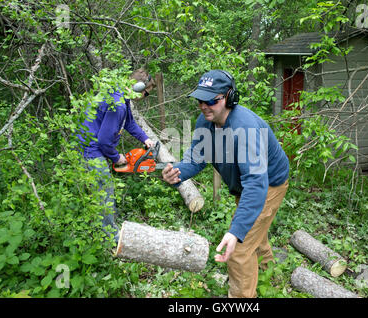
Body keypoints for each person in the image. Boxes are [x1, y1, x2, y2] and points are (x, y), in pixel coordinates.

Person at [162, 70, 290, 298]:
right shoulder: (206, 120)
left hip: (268, 185)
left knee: (240, 248)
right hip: (246, 185)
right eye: (201, 100)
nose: (204, 106)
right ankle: (269, 272)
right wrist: (178, 173)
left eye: (212, 100)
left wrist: (235, 232)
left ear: (229, 97)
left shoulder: (246, 128)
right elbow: (197, 157)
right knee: (254, 233)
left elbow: (256, 184)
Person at [77, 68, 155, 243]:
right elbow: (105, 140)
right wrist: (115, 157)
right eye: (146, 94)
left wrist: (145, 138)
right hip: (90, 148)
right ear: (139, 87)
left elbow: (129, 123)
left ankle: (106, 225)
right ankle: (110, 240)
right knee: (104, 190)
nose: (144, 97)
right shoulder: (117, 104)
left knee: (102, 190)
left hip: (92, 144)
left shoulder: (120, 96)